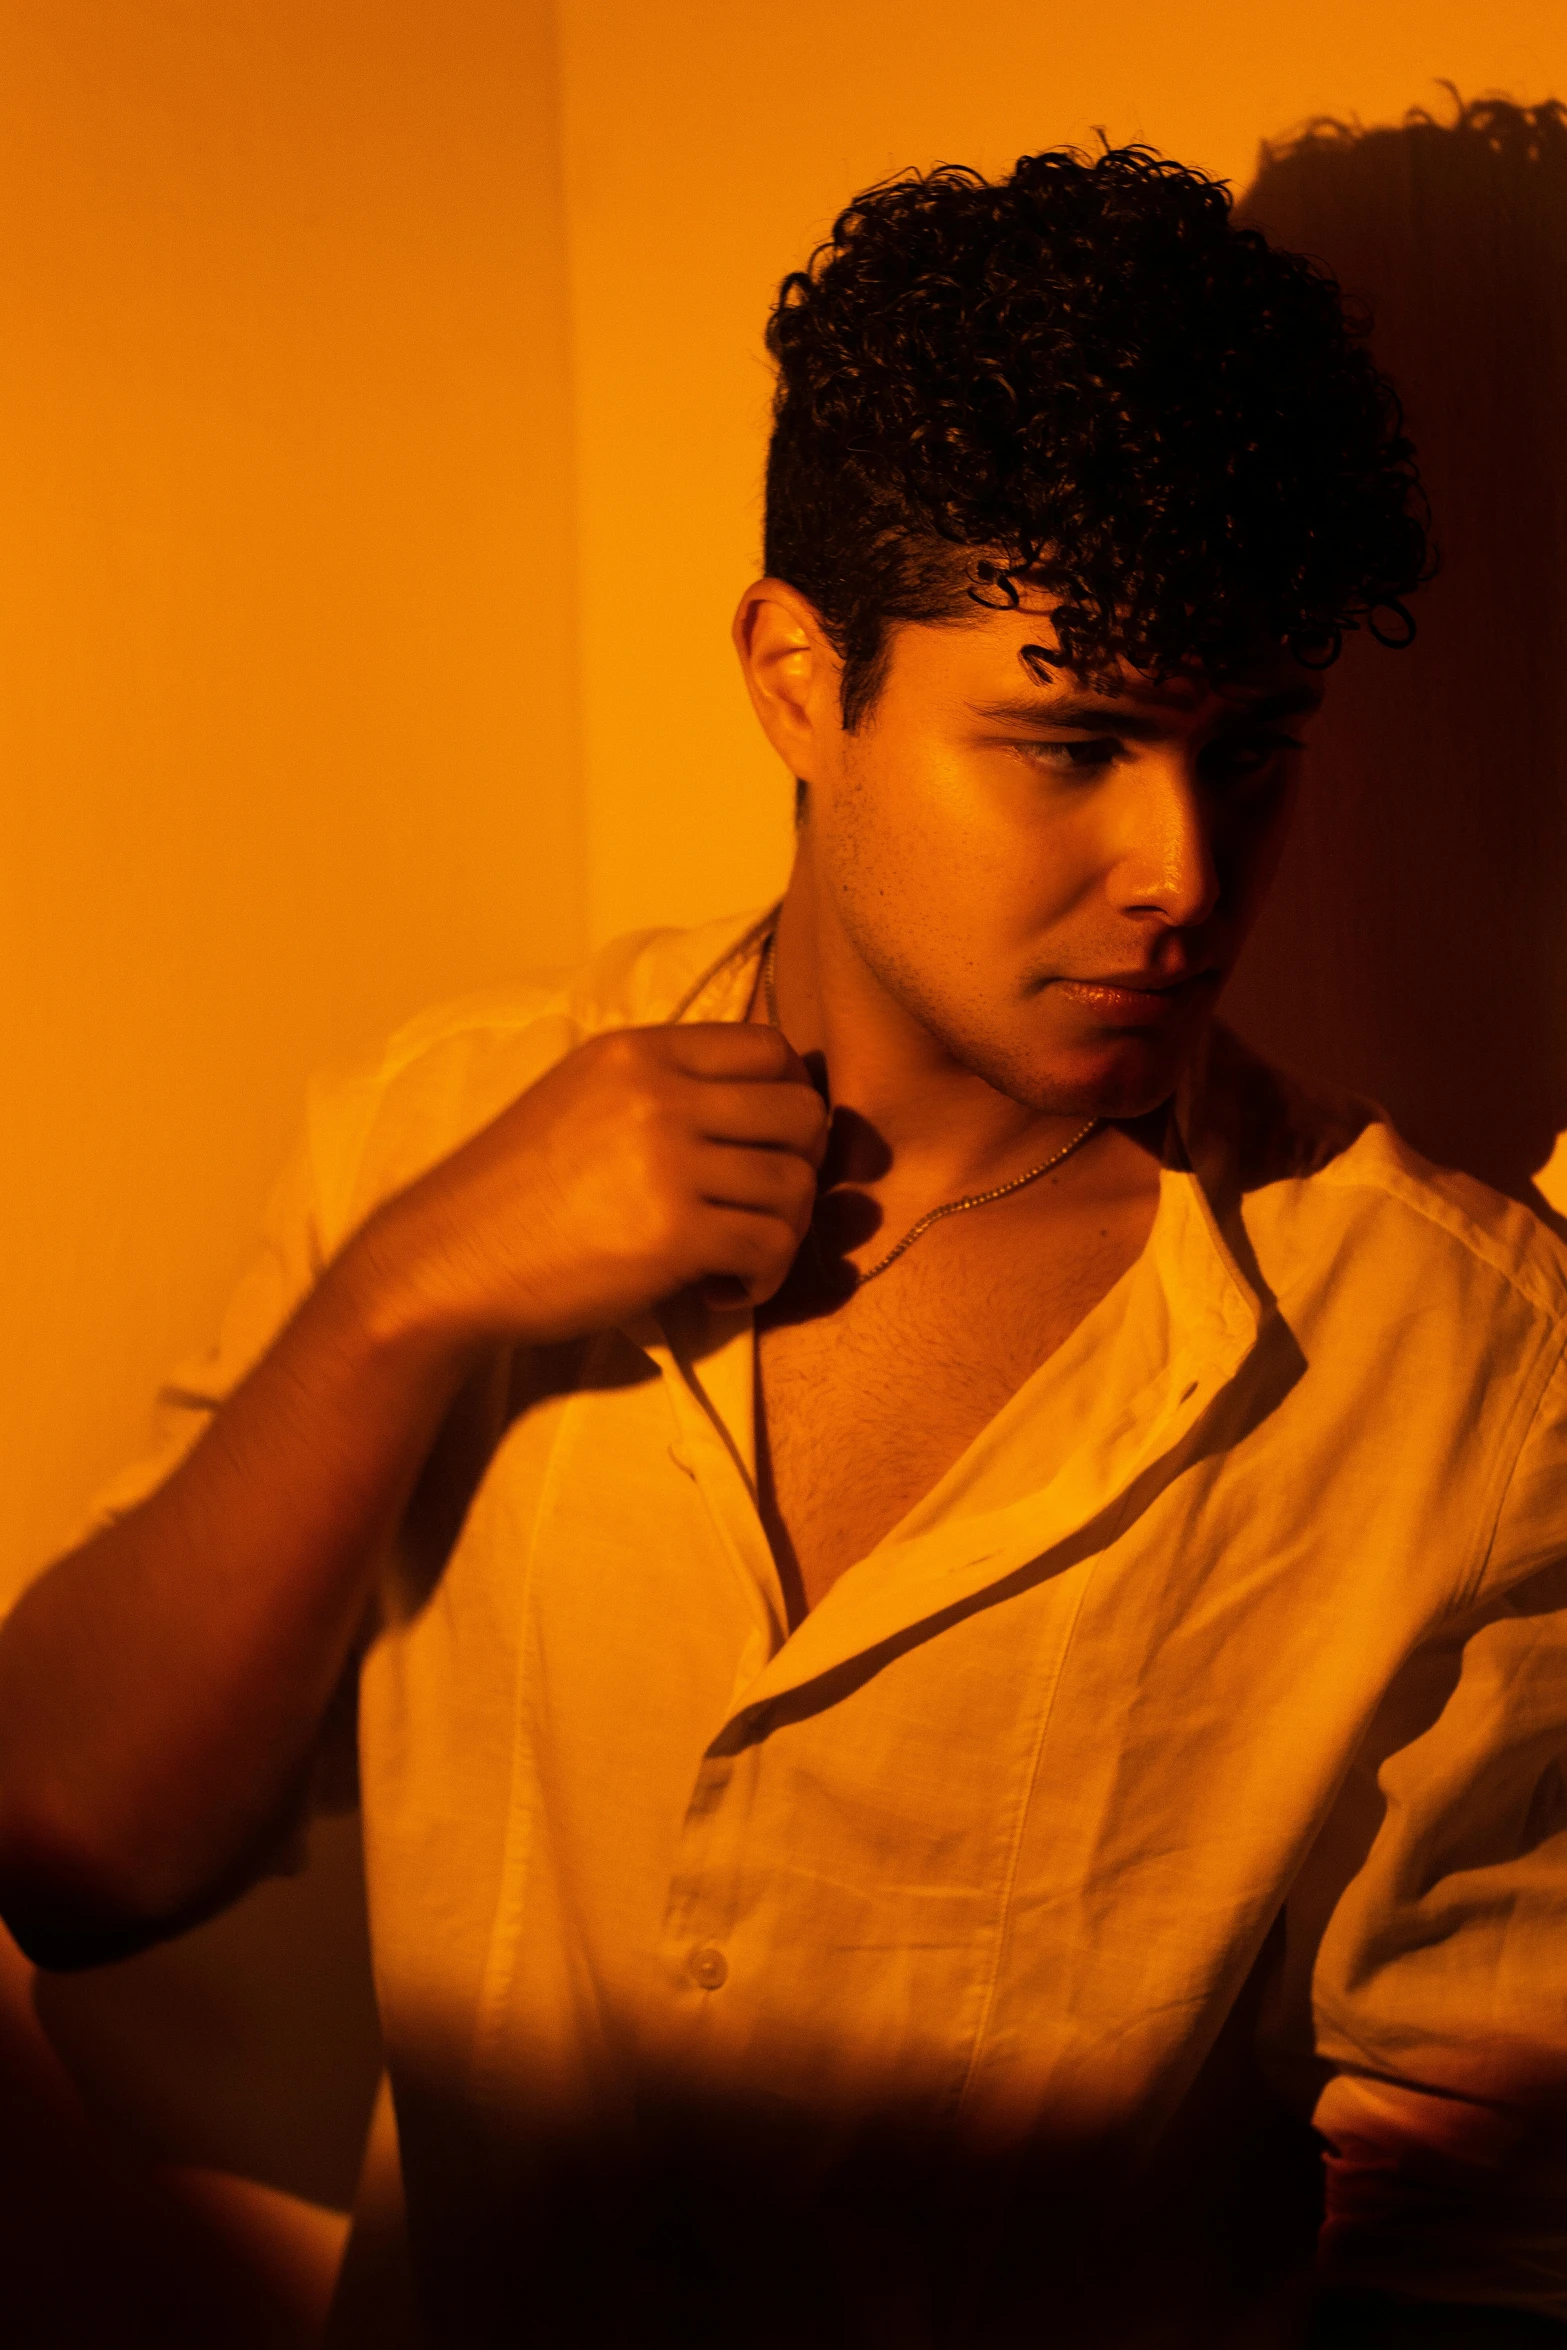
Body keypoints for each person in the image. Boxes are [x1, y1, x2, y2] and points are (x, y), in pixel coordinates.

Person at [2, 145, 1564, 2348]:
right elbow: (66, 1840)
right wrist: (401, 1297)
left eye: (1256, 750)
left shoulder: (1459, 1364)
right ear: (799, 681)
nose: (1182, 869)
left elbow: (1489, 2232)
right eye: (1073, 741)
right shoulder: (449, 1125)